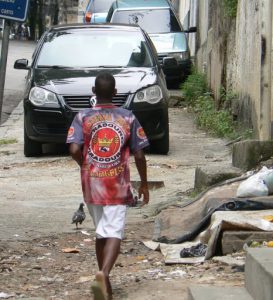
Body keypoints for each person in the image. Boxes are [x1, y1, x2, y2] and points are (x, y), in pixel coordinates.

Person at [67, 72, 149, 300]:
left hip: (92, 184)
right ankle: (103, 273)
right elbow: (140, 155)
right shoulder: (128, 117)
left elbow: (74, 149)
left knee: (101, 231)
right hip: (117, 184)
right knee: (113, 231)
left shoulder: (82, 116)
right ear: (115, 92)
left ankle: (105, 285)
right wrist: (143, 184)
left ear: (94, 92)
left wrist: (86, 165)